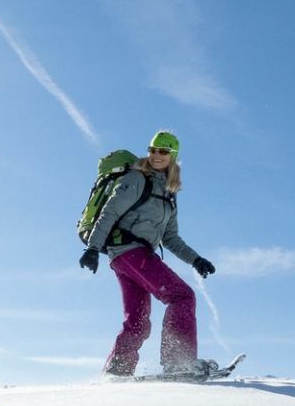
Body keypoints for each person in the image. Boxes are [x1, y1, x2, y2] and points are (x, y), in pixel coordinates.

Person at [78, 131, 219, 378]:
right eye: (152, 149)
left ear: (173, 156)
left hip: (129, 257)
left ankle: (117, 372)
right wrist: (92, 248)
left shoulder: (168, 194)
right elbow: (109, 213)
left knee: (138, 321)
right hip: (130, 251)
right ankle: (178, 362)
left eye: (163, 151)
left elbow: (171, 238)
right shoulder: (136, 178)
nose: (156, 155)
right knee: (182, 297)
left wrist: (196, 259)